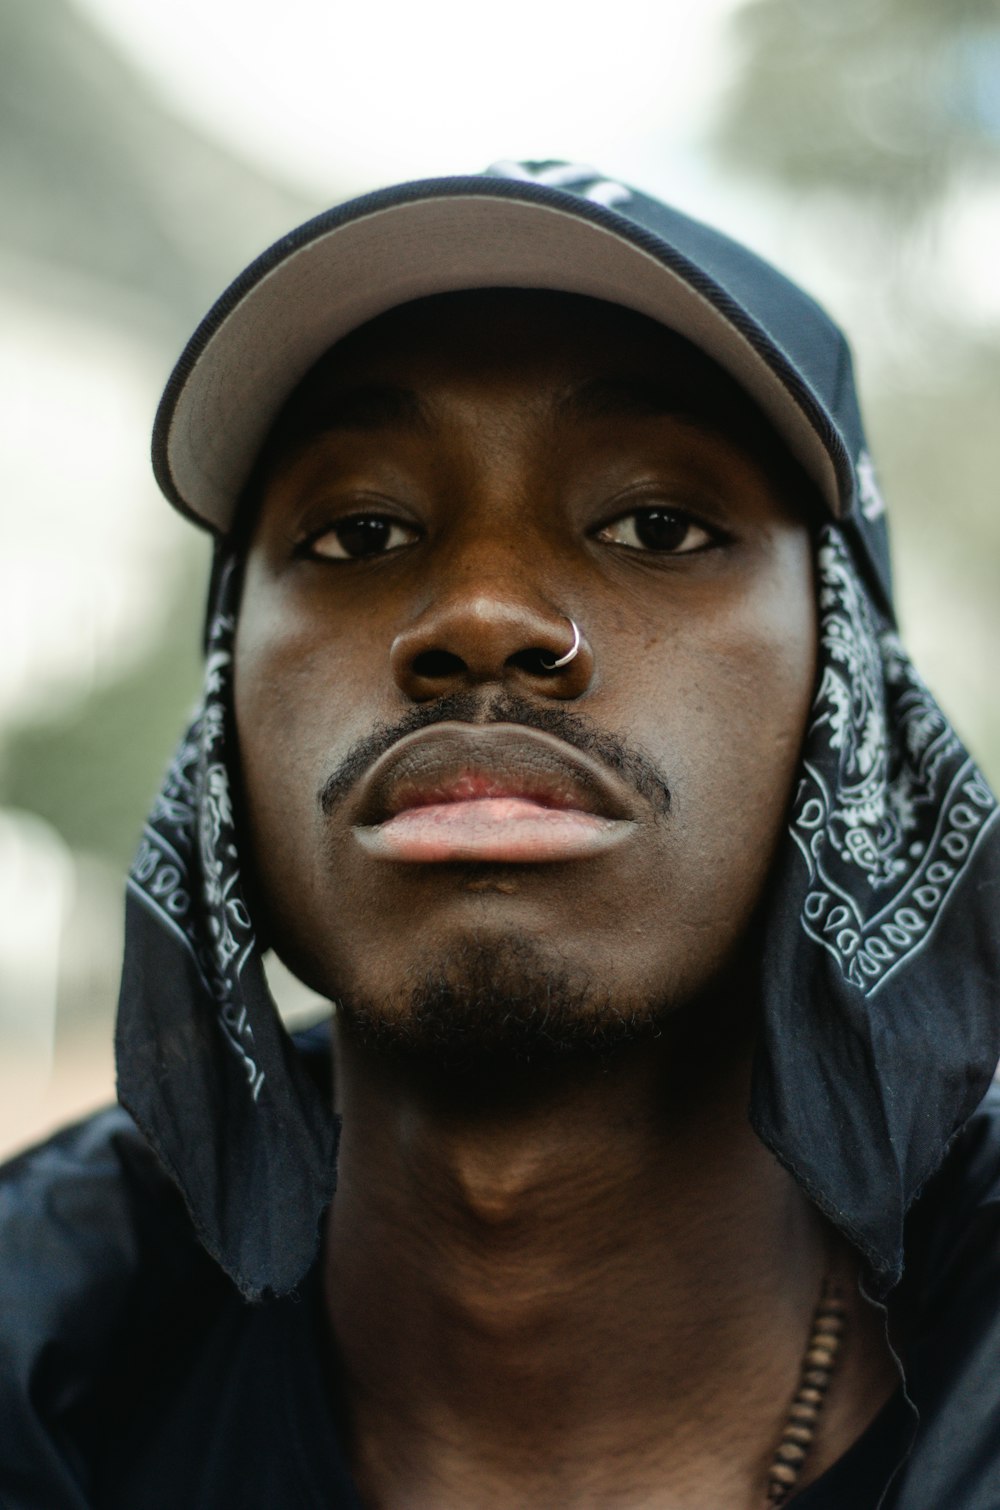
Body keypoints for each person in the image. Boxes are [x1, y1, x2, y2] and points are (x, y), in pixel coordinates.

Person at [2, 160, 999, 1510]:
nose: (479, 610)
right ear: (223, 716)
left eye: (659, 523)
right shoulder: (48, 1379)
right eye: (360, 532)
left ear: (852, 709)